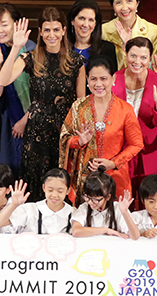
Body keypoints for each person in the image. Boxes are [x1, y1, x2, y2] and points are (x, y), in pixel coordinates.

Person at [0, 9, 83, 196]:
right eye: (47, 30)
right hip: (36, 131)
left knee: (62, 182)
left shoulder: (76, 62)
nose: (51, 35)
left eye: (56, 30)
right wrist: (16, 47)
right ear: (40, 32)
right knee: (35, 183)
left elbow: (80, 103)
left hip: (64, 131)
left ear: (64, 30)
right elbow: (3, 81)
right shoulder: (30, 57)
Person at [58, 58, 144, 201]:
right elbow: (65, 138)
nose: (98, 84)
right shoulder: (78, 107)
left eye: (103, 78)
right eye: (93, 79)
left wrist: (114, 163)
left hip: (115, 178)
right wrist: (80, 141)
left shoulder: (125, 109)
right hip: (84, 182)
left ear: (113, 78)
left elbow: (137, 144)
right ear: (87, 80)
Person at [112, 37, 157, 195]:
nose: (137, 61)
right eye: (133, 55)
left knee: (151, 200)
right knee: (122, 199)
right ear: (126, 54)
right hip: (120, 151)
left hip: (151, 151)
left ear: (150, 59)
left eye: (143, 57)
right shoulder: (113, 80)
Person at [0, 3, 34, 171]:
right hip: (7, 118)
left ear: (17, 24)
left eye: (4, 24)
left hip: (30, 118)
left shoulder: (31, 49)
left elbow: (42, 93)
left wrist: (24, 120)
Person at [102, 0, 157, 69]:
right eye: (118, 2)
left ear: (137, 3)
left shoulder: (153, 31)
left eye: (129, 1)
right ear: (112, 6)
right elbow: (106, 69)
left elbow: (153, 67)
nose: (125, 7)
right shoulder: (104, 31)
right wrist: (123, 49)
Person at [70, 167, 141, 239]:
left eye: (95, 199)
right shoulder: (84, 207)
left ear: (108, 197)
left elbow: (135, 236)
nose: (90, 202)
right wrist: (105, 230)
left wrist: (124, 212)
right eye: (87, 197)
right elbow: (76, 231)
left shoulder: (117, 208)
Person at [0, 170, 75, 235]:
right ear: (44, 188)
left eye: (60, 191)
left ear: (68, 190)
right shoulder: (30, 209)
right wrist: (14, 204)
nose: (54, 195)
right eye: (50, 190)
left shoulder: (73, 212)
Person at [67, 0, 116, 67]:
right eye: (82, 18)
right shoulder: (62, 47)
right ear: (72, 20)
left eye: (91, 20)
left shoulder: (107, 49)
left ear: (95, 23)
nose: (86, 24)